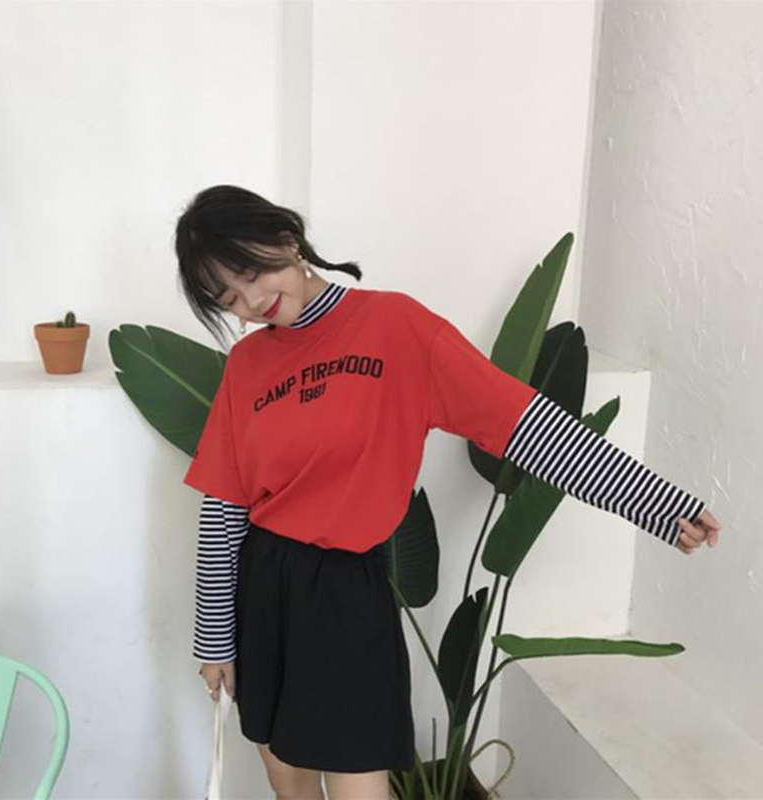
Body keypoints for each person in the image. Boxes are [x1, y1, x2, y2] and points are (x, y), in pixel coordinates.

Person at [175, 185, 722, 800]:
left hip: (349, 592)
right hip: (263, 585)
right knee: (290, 787)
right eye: (230, 298)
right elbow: (224, 507)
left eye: (253, 273)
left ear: (285, 238)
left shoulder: (396, 326)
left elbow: (526, 426)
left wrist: (657, 504)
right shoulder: (247, 365)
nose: (253, 302)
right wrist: (214, 638)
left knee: (360, 783)